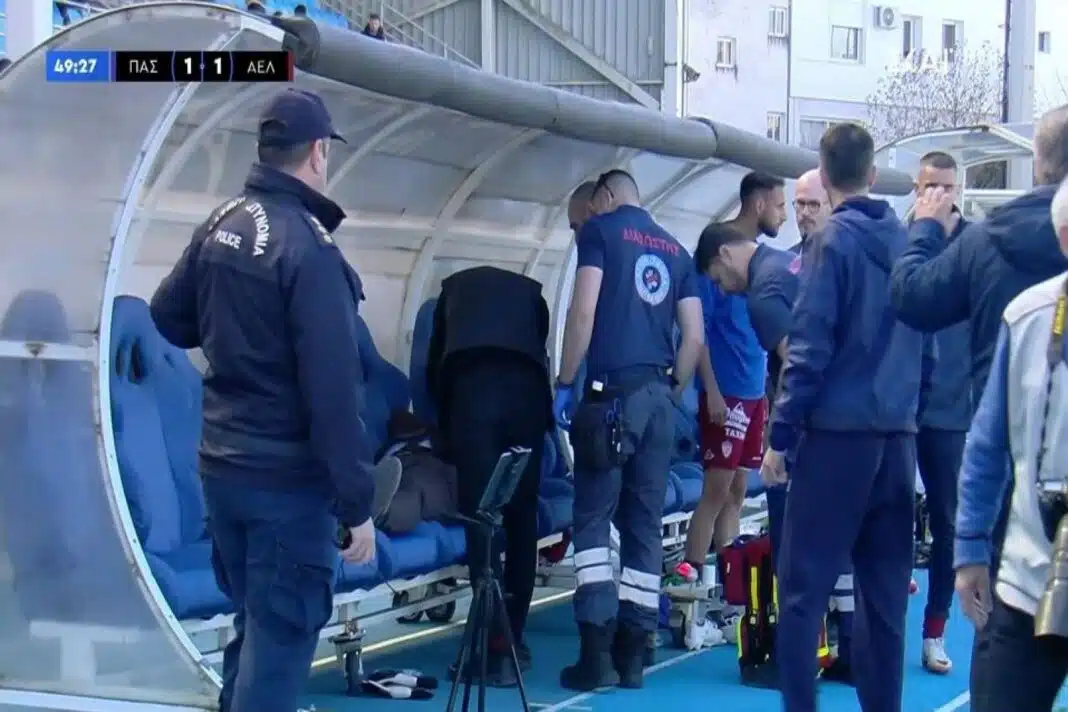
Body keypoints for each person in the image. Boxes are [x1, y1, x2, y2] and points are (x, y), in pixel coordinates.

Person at [149, 88, 401, 712]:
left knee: (256, 632)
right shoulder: (310, 250)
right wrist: (357, 504)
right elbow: (333, 395)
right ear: (317, 153)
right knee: (279, 648)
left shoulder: (223, 221)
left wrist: (233, 336)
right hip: (285, 486)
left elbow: (167, 316)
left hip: (223, 471)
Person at [889, 105, 1068, 672]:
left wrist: (923, 232)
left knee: (1006, 633)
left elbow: (912, 297)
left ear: (1036, 162)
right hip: (1000, 435)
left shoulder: (986, 240)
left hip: (1013, 454)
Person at [767, 123, 933, 712]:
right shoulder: (909, 244)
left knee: (802, 594)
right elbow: (929, 350)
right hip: (897, 441)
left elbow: (809, 348)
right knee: (884, 600)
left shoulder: (830, 243)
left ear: (824, 173)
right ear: (873, 174)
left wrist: (780, 436)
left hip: (837, 442)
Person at [554, 169, 703, 691]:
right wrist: (671, 391)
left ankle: (595, 654)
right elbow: (693, 338)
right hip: (659, 399)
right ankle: (634, 656)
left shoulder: (601, 231)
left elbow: (583, 312)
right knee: (644, 525)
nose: (583, 224)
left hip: (610, 399)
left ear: (606, 196)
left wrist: (565, 381)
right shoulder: (677, 251)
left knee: (594, 520)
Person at [953, 176, 1068, 711]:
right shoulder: (1027, 316)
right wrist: (970, 548)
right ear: (1064, 238)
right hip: (1030, 578)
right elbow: (987, 443)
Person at [426, 265, 553, 686]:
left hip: (473, 396)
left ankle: (486, 643)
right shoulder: (533, 296)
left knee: (481, 520)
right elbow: (540, 351)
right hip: (527, 399)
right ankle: (512, 640)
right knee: (522, 516)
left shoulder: (451, 295)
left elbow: (435, 366)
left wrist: (445, 432)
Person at [671, 172, 784, 636]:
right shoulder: (715, 256)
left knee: (737, 491)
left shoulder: (764, 265)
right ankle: (689, 581)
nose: (784, 216)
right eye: (780, 206)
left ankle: (728, 590)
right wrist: (712, 391)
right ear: (758, 204)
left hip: (754, 393)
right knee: (716, 490)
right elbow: (699, 333)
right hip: (727, 394)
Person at [894, 151, 972, 675]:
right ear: (916, 189)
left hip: (951, 411)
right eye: (929, 187)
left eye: (946, 187)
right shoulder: (899, 242)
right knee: (889, 517)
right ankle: (878, 629)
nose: (937, 196)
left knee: (948, 522)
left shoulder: (977, 245)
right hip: (898, 407)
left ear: (958, 190)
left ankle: (935, 630)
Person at [790, 168, 830, 258]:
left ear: (832, 207)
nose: (805, 213)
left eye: (813, 204)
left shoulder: (851, 261)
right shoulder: (785, 262)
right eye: (800, 203)